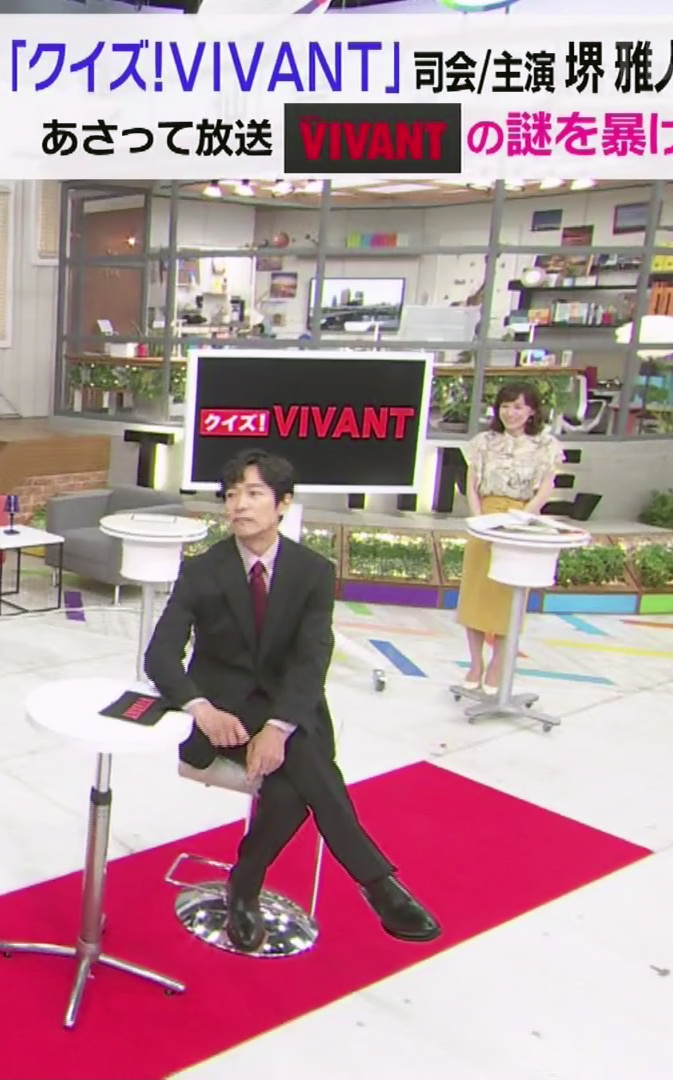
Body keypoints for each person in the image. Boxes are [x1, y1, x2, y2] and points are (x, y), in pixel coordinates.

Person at [144, 449, 440, 952]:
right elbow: (160, 656)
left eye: (253, 493)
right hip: (225, 719)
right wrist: (202, 710)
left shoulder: (312, 573)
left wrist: (279, 727)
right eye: (231, 494)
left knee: (289, 784)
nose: (239, 505)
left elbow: (312, 658)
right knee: (306, 770)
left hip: (287, 712)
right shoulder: (202, 571)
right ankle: (378, 884)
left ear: (282, 503)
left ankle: (244, 886)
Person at [457, 382, 563, 692]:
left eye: (518, 407)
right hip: (485, 519)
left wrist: (522, 518)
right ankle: (475, 664)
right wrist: (480, 519)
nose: (510, 413)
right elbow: (472, 484)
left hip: (520, 520)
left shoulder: (546, 445)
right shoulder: (483, 442)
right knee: (475, 594)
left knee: (508, 598)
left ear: (531, 411)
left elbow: (545, 488)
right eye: (505, 406)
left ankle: (497, 665)